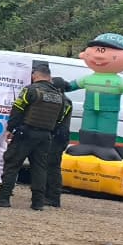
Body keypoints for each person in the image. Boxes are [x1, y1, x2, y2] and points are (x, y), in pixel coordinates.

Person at [0, 62, 69, 210]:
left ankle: (3, 197)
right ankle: (38, 202)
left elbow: (17, 109)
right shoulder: (59, 96)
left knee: (12, 163)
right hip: (45, 136)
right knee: (39, 168)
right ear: (49, 77)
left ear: (35, 75)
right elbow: (60, 119)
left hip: (26, 133)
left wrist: (11, 128)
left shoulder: (31, 90)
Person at [63, 32, 123, 161]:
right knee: (88, 125)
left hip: (109, 110)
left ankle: (105, 148)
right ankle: (85, 145)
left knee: (106, 127)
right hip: (90, 108)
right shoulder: (88, 78)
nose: (99, 57)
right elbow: (70, 86)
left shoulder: (119, 81)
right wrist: (59, 85)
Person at [44, 77, 74, 209]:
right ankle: (47, 194)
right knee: (47, 165)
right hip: (56, 136)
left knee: (53, 166)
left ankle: (53, 197)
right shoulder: (61, 99)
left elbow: (58, 119)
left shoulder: (64, 101)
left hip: (58, 137)